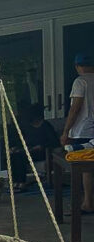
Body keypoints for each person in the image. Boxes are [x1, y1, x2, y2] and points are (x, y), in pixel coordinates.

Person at [61, 53, 94, 214]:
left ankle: (87, 202)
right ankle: (88, 200)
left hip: (83, 130)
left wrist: (66, 131)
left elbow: (75, 108)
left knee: (84, 168)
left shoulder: (80, 81)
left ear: (77, 66)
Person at [9, 103, 59, 190]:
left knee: (21, 156)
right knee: (14, 155)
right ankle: (15, 181)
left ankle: (22, 182)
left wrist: (41, 146)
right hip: (29, 149)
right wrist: (16, 148)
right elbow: (21, 140)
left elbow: (54, 142)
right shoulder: (26, 127)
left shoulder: (46, 126)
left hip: (42, 151)